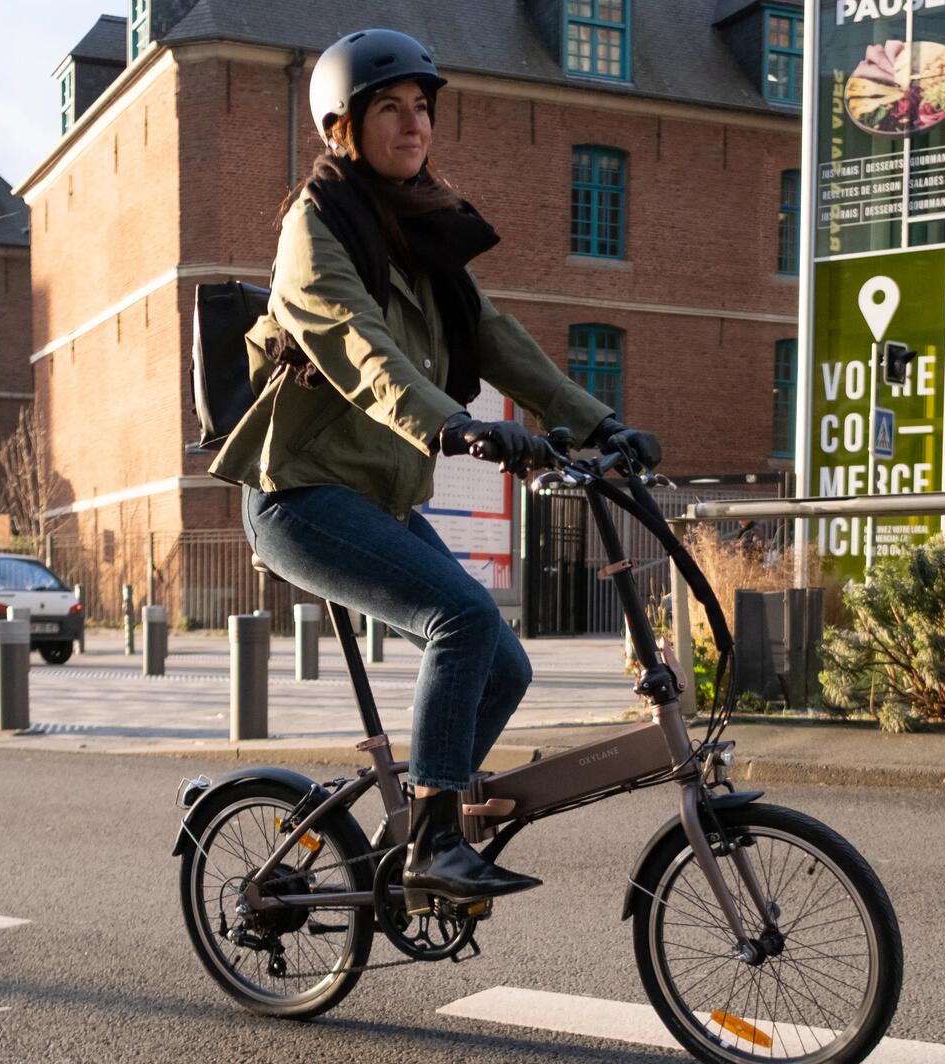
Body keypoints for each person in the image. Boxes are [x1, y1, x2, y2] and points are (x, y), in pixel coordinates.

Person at [209, 28, 661, 904]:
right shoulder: (316, 228)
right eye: (391, 109)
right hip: (299, 494)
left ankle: (419, 820)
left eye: (422, 108)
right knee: (461, 619)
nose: (414, 124)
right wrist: (453, 426)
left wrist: (597, 420)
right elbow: (359, 344)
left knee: (507, 662)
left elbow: (498, 339)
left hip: (377, 495)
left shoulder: (421, 225)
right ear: (344, 127)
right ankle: (435, 838)